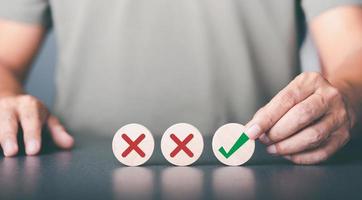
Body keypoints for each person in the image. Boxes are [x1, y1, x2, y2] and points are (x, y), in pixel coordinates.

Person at [0, 1, 361, 164]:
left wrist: (346, 91)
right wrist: (4, 95)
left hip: (258, 165)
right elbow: (5, 58)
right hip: (80, 165)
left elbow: (351, 46)